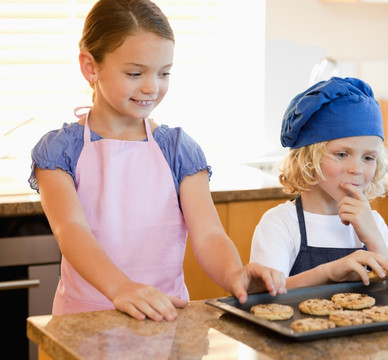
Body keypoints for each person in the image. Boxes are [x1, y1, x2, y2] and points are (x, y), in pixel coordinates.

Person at [28, 0, 285, 322]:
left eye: (164, 73)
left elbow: (208, 235)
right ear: (90, 67)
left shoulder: (178, 149)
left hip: (165, 317)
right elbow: (71, 231)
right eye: (135, 73)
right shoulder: (60, 151)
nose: (152, 87)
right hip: (84, 318)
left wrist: (234, 273)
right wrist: (121, 288)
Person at [250, 77, 388, 289]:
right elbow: (265, 295)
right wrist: (331, 272)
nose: (357, 169)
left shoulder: (374, 222)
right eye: (342, 154)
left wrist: (373, 238)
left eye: (368, 158)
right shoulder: (280, 224)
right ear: (307, 159)